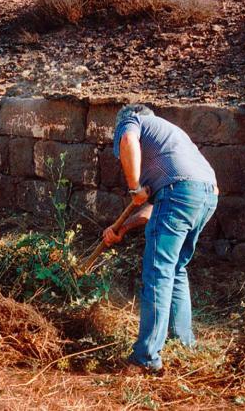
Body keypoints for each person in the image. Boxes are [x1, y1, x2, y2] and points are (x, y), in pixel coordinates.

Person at [102, 104, 218, 373]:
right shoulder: (169, 137)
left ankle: (145, 358)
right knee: (175, 269)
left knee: (158, 272)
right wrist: (121, 228)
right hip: (207, 195)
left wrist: (133, 188)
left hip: (180, 193)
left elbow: (128, 139)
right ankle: (183, 344)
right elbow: (155, 210)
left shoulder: (132, 120)